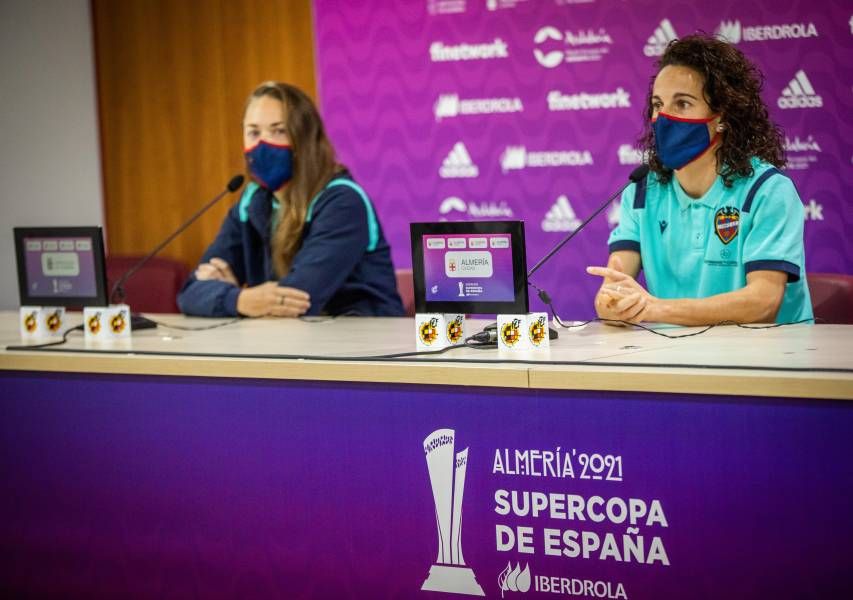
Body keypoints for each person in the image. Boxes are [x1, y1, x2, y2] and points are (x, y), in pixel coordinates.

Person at [587, 34, 813, 326]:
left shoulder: (767, 190)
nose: (663, 116)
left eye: (682, 103)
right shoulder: (643, 190)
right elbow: (610, 291)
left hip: (770, 360)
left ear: (722, 116)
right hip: (678, 355)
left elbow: (762, 303)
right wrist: (614, 304)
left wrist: (655, 310)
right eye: (658, 104)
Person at [177, 82, 404, 318]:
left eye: (279, 131)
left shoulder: (342, 201)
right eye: (254, 132)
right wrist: (239, 299)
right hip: (288, 342)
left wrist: (233, 295)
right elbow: (190, 293)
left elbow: (297, 300)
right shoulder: (252, 201)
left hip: (362, 343)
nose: (263, 143)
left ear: (304, 139)